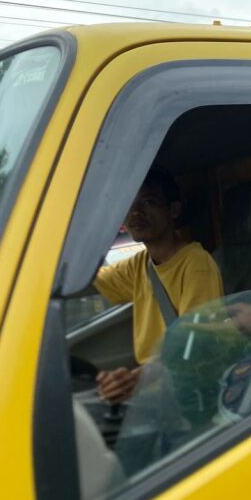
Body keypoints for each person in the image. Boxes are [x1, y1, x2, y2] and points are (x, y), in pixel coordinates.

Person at [92, 167, 223, 403]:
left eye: (148, 202)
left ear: (173, 210)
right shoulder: (139, 264)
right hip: (155, 387)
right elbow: (89, 280)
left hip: (186, 391)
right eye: (129, 206)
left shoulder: (195, 263)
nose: (135, 213)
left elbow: (195, 344)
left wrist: (137, 379)